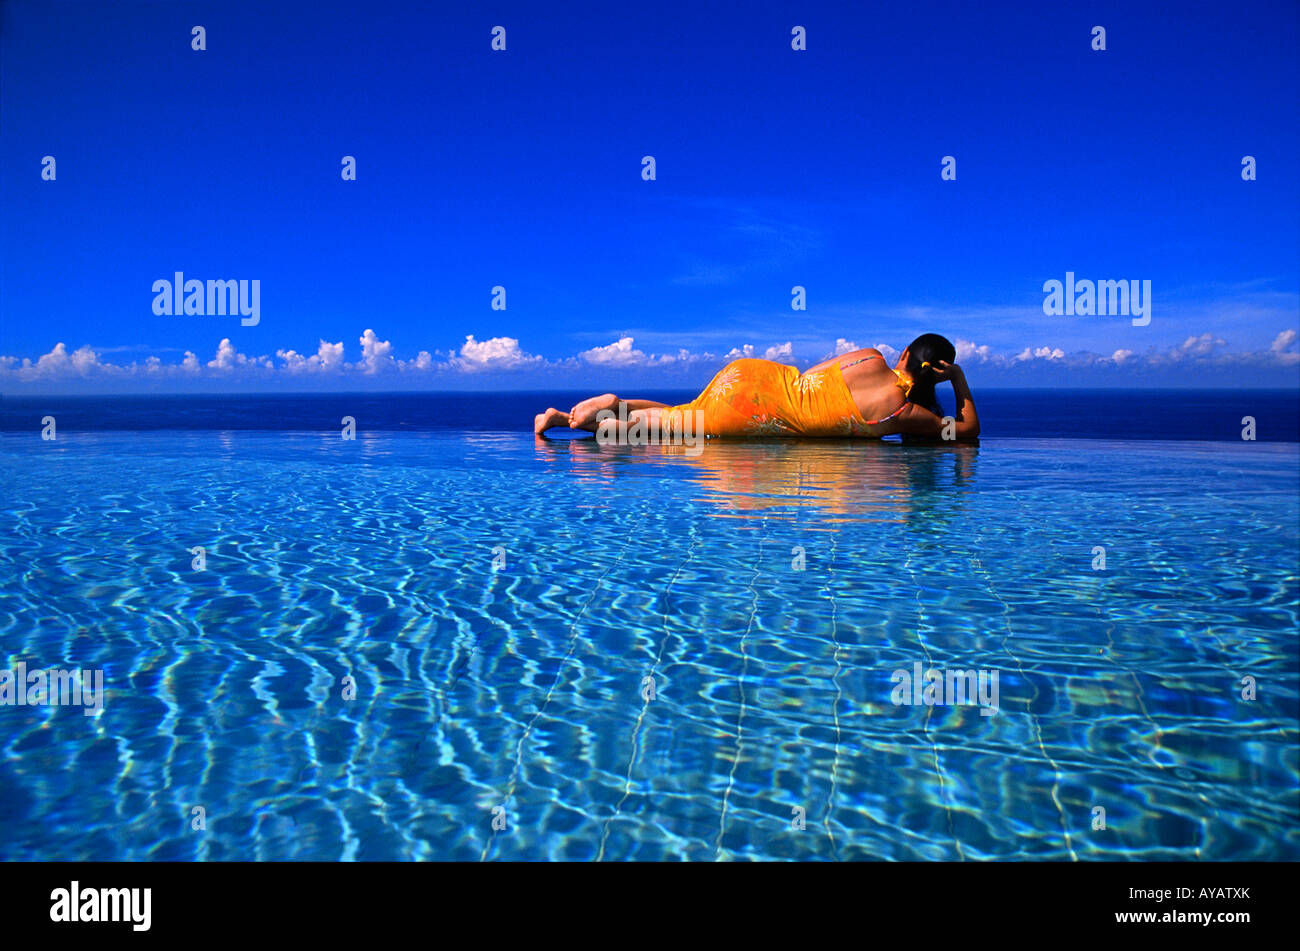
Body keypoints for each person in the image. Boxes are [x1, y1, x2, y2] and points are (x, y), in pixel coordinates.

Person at [534, 333, 980, 442]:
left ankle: (605, 407)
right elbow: (967, 432)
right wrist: (958, 381)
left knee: (683, 411)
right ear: (935, 372)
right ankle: (582, 419)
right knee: (677, 428)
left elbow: (815, 375)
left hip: (759, 376)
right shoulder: (903, 414)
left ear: (904, 354)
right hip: (756, 413)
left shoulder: (866, 355)